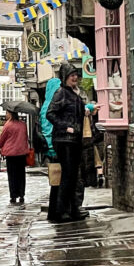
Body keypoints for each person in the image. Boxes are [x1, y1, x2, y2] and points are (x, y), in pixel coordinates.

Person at [47, 65, 87, 223]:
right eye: (71, 76)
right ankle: (62, 211)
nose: (75, 78)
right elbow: (50, 113)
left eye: (76, 75)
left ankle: (73, 209)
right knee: (67, 176)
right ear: (64, 77)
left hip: (75, 140)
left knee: (74, 176)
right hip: (64, 140)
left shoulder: (74, 94)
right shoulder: (61, 93)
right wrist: (65, 127)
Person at [40, 63, 72, 222]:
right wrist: (53, 147)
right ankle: (57, 212)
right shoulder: (52, 105)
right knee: (59, 181)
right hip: (56, 147)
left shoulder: (46, 104)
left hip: (53, 147)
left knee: (56, 181)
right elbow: (48, 129)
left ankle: (55, 211)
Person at [0, 109, 29, 205]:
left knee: (12, 175)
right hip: (21, 153)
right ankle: (21, 194)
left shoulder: (8, 125)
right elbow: (25, 138)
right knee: (21, 175)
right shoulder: (23, 125)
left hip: (11, 154)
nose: (5, 115)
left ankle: (13, 195)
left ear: (10, 114)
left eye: (6, 113)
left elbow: (2, 139)